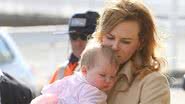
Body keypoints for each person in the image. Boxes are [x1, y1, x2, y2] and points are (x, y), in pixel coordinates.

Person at [92, 0, 170, 104]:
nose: (115, 47)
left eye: (125, 41)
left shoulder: (152, 83)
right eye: (110, 38)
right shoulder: (84, 71)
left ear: (140, 43)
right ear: (100, 37)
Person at [31, 41, 119, 104]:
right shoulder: (93, 93)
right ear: (85, 71)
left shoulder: (72, 79)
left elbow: (49, 92)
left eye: (112, 77)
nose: (108, 80)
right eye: (102, 75)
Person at [49, 11, 99, 83]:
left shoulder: (105, 73)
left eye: (84, 37)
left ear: (97, 38)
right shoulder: (61, 71)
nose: (78, 43)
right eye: (74, 36)